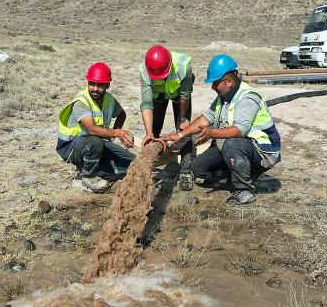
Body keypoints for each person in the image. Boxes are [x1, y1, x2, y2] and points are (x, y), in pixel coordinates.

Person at [161, 54, 281, 205]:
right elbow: (206, 118)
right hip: (235, 147)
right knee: (198, 168)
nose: (212, 87)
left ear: (229, 82)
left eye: (215, 83)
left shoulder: (247, 97)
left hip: (261, 151)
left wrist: (212, 132)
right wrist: (180, 135)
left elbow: (239, 130)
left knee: (232, 144)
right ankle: (237, 173)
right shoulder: (223, 97)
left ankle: (245, 190)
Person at [56, 62, 136, 193]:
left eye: (100, 85)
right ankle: (88, 177)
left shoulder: (109, 99)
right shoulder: (81, 102)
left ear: (108, 85)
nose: (95, 88)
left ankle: (101, 171)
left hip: (94, 144)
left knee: (132, 161)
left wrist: (115, 134)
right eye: (92, 84)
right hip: (71, 147)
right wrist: (116, 133)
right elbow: (91, 129)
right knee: (95, 141)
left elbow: (122, 114)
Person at [139, 45, 195, 190]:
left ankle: (186, 170)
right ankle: (149, 166)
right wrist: (149, 132)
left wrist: (181, 118)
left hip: (180, 96)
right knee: (154, 130)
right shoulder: (144, 69)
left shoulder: (184, 66)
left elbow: (185, 95)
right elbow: (146, 104)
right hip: (158, 96)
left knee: (185, 131)